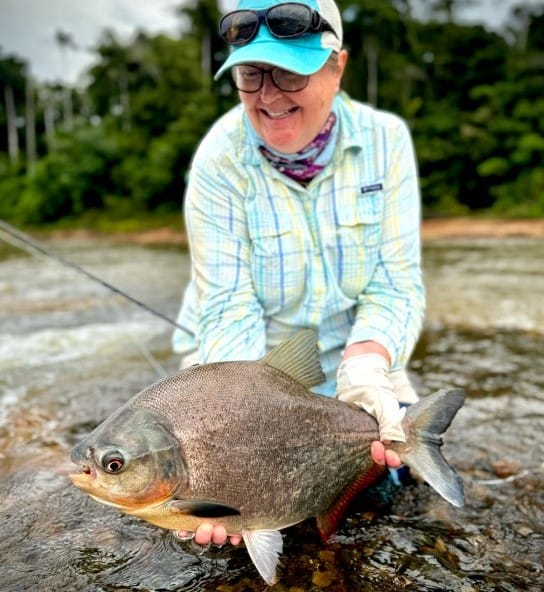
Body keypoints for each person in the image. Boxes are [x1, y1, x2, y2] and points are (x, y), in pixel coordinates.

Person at [172, 0, 425, 546]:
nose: (268, 94)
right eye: (250, 74)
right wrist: (233, 451)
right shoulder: (218, 160)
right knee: (215, 505)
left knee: (392, 489)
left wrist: (365, 367)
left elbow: (396, 283)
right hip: (241, 368)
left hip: (357, 362)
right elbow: (227, 306)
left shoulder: (387, 142)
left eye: (290, 71)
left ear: (337, 66)